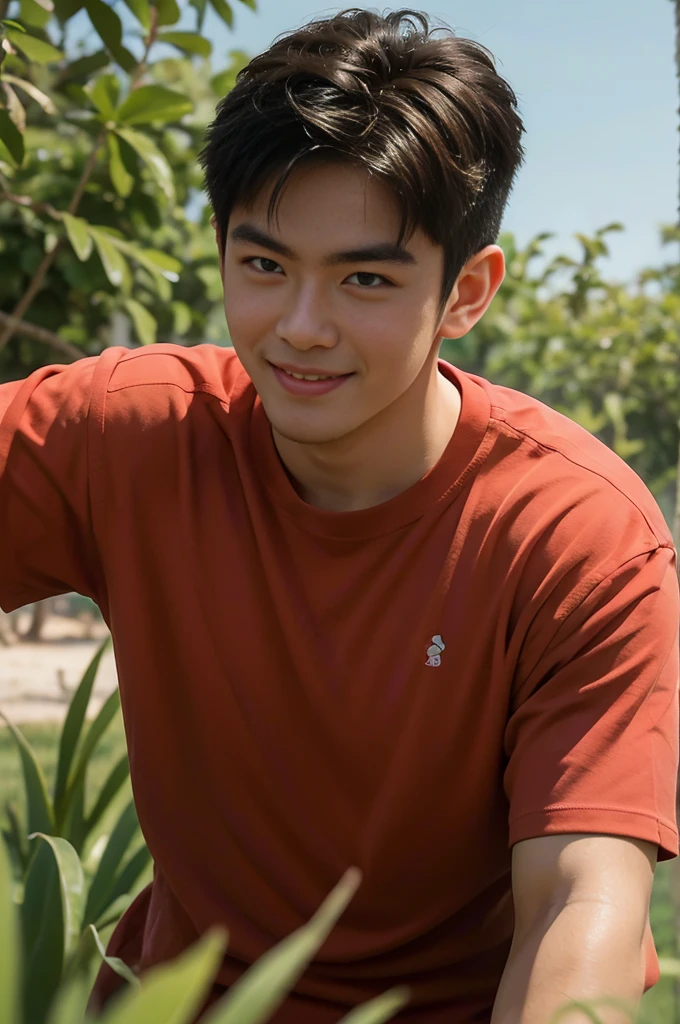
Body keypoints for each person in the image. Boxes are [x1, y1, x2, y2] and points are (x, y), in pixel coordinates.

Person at [0, 8, 678, 1023]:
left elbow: (577, 894)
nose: (298, 330)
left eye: (364, 278)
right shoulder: (124, 436)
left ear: (466, 293)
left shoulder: (575, 537)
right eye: (263, 266)